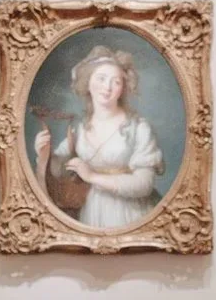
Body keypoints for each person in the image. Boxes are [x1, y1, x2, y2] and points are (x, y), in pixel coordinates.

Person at [32, 44, 165, 230]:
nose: (107, 88)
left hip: (131, 213)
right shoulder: (78, 129)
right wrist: (44, 155)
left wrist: (92, 176)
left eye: (116, 82)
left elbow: (144, 184)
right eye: (101, 79)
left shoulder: (138, 128)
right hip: (90, 212)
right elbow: (59, 172)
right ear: (88, 82)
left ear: (123, 88)